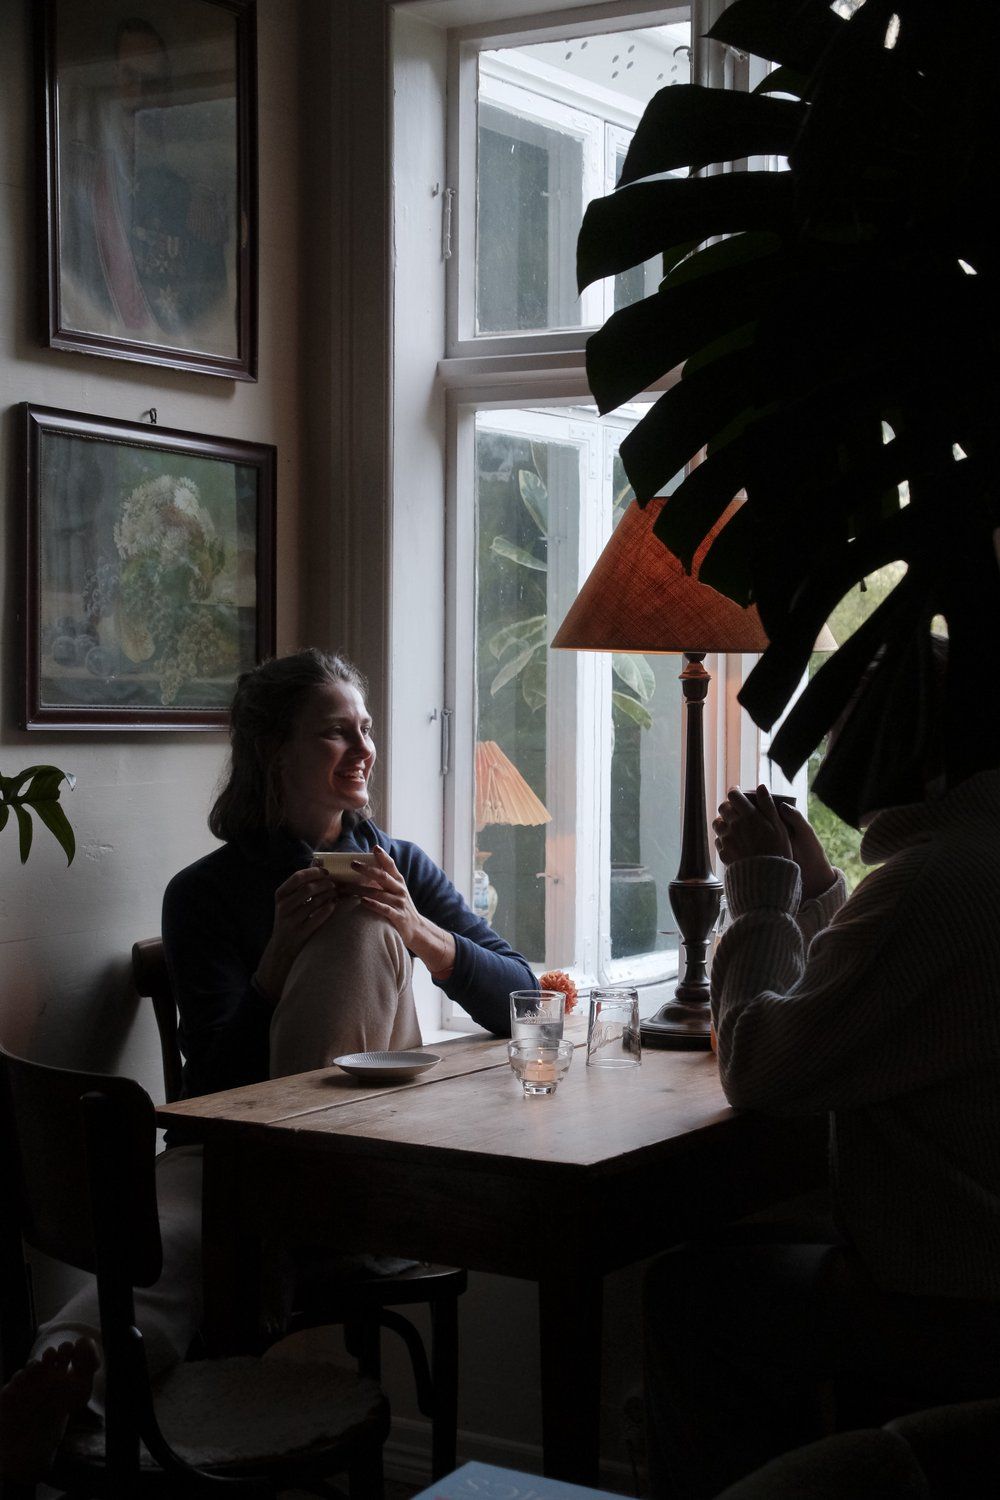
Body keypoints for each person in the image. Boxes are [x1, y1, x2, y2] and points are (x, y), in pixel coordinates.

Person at [1, 647, 532, 1482]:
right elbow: (210, 1090)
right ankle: (59, 1387)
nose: (363, 749)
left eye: (366, 729)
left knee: (361, 929)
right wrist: (275, 962)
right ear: (272, 754)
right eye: (335, 733)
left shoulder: (402, 868)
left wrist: (419, 933)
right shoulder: (204, 894)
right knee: (165, 1239)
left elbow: (525, 999)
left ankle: (275, 1215)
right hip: (230, 1153)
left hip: (370, 1154)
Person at [642, 656, 1000, 1497]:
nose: (833, 753)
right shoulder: (967, 863)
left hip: (961, 1297)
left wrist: (761, 886)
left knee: (689, 1297)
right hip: (974, 1266)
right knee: (744, 1260)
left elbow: (762, 1067)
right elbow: (880, 1008)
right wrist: (820, 888)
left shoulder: (929, 883)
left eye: (846, 733)